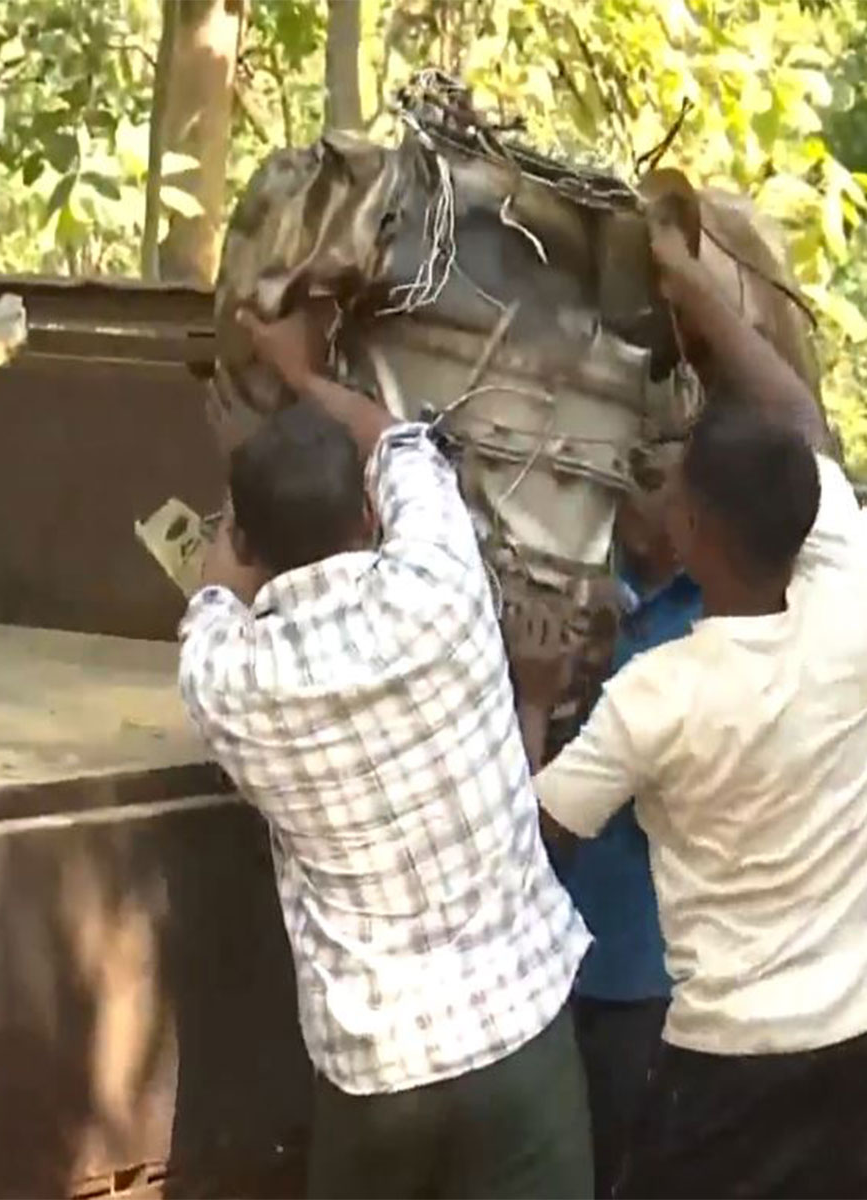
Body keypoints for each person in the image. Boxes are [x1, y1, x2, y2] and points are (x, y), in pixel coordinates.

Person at [179, 306, 593, 1200]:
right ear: (370, 514)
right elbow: (399, 441)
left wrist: (240, 528)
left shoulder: (227, 680)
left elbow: (212, 595)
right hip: (522, 1032)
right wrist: (302, 374)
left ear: (251, 543)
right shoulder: (442, 583)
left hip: (378, 1071)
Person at [523, 216, 867, 1197]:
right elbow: (800, 418)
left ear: (691, 528)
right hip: (847, 1050)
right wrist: (688, 280)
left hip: (723, 1064)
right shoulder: (850, 607)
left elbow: (537, 841)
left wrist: (535, 699)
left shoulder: (657, 696)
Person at [553, 486, 700, 1198]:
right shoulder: (570, 567)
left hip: (640, 967)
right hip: (548, 963)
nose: (640, 496)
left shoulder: (716, 616)